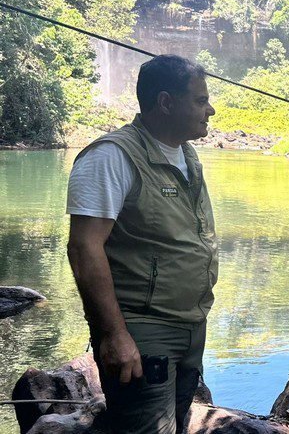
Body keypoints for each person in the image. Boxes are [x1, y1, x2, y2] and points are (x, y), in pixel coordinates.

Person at [66, 55, 218, 433]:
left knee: (175, 424)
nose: (210, 110)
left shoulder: (187, 155)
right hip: (142, 331)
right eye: (200, 100)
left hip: (190, 327)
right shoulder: (111, 156)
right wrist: (114, 335)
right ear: (165, 102)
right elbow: (84, 249)